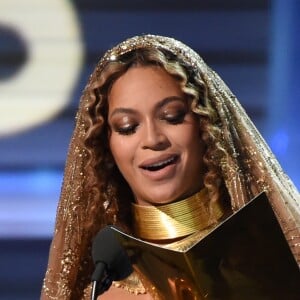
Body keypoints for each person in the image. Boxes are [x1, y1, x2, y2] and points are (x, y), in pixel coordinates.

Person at [41, 35, 300, 300]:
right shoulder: (104, 295)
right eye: (128, 127)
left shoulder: (273, 261)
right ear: (106, 148)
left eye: (172, 117)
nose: (153, 140)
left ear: (207, 126)